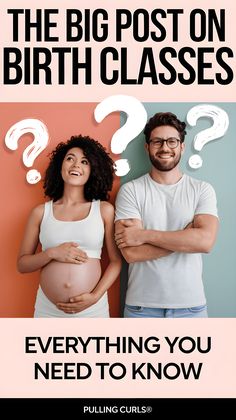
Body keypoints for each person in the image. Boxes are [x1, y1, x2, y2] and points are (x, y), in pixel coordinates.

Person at [115, 112, 219, 318]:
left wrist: (143, 235)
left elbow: (205, 242)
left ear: (182, 146)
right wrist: (185, 239)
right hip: (140, 308)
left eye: (172, 141)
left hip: (192, 308)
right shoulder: (131, 190)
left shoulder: (202, 189)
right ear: (147, 147)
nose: (165, 148)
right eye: (157, 142)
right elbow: (131, 253)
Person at [17, 135, 121, 318]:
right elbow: (22, 264)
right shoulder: (41, 212)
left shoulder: (104, 210)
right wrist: (51, 253)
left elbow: (116, 261)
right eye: (70, 159)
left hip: (92, 310)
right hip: (48, 311)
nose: (76, 165)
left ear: (93, 170)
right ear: (60, 166)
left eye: (84, 161)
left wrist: (94, 297)